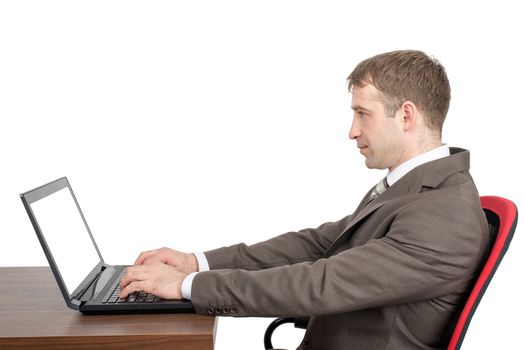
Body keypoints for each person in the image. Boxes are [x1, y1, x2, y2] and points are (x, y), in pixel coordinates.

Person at [119, 50, 489, 350]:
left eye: (363, 113)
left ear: (406, 115)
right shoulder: (411, 190)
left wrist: (186, 287)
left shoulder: (445, 213)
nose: (352, 131)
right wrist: (195, 262)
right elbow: (317, 244)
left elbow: (320, 283)